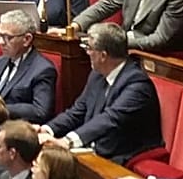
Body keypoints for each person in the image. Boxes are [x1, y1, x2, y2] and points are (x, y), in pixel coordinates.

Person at [40, 24, 163, 164]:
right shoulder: (97, 75)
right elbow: (78, 111)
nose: (87, 53)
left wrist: (67, 141)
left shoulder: (137, 85)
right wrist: (48, 129)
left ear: (103, 55)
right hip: (95, 148)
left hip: (124, 156)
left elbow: (110, 119)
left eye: (89, 48)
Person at [0, 9, 58, 124]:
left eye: (8, 37)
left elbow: (40, 111)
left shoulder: (43, 69)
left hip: (12, 128)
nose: (1, 42)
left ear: (27, 39)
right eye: (0, 36)